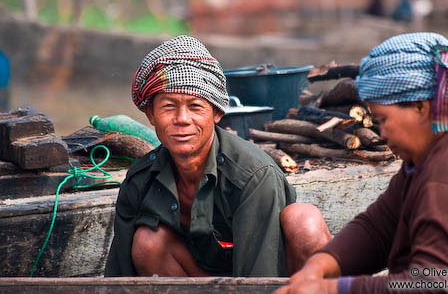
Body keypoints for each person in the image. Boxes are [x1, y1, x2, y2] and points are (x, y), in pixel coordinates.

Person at [274, 32, 448, 294]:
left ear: (420, 107)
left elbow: (439, 285)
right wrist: (320, 265)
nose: (381, 134)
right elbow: (380, 226)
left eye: (383, 119)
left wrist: (331, 289)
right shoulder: (437, 147)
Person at [104, 35, 330, 277]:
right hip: (207, 277)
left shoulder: (253, 175)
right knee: (148, 242)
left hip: (276, 281)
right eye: (168, 106)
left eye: (195, 107)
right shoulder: (141, 180)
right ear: (150, 115)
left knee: (304, 221)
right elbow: (119, 275)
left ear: (217, 113)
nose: (182, 119)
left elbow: (260, 275)